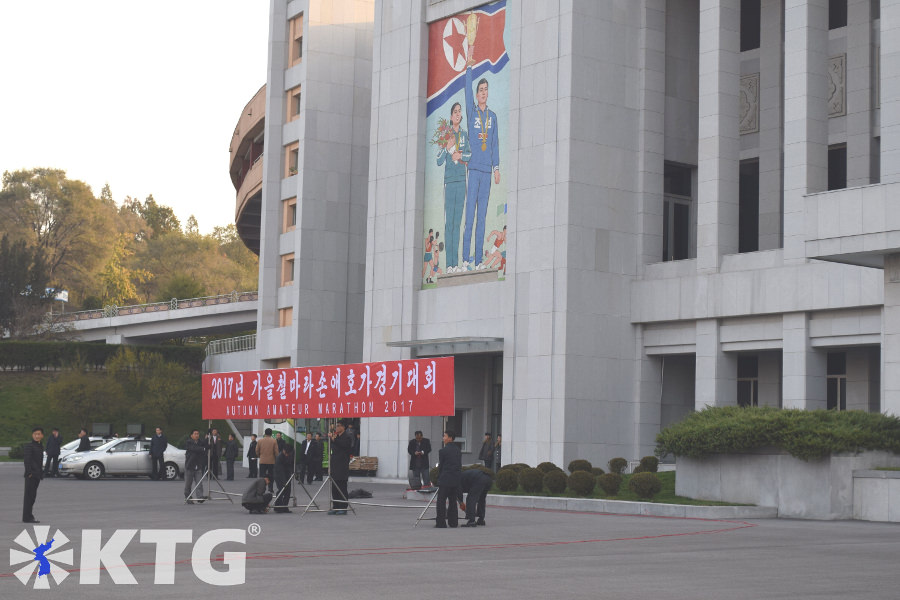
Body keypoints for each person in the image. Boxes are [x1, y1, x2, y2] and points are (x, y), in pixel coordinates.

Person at [462, 59, 500, 270]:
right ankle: (465, 259)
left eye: (486, 89)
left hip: (487, 171)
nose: (483, 93)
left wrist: (496, 168)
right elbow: (467, 91)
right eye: (481, 90)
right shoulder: (471, 112)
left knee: (482, 218)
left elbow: (494, 143)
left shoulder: (492, 117)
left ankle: (477, 261)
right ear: (477, 95)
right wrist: (469, 68)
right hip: (474, 169)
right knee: (470, 216)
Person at [438, 101, 472, 273]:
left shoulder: (464, 135)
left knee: (458, 223)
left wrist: (460, 154)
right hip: (449, 182)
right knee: (449, 224)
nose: (458, 114)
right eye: (455, 112)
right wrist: (447, 148)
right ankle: (448, 265)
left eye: (460, 111)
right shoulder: (446, 135)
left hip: (461, 181)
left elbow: (469, 155)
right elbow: (438, 160)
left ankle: (455, 264)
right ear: (451, 116)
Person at [435, 430, 462, 528]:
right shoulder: (458, 450)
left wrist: (438, 478)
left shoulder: (443, 451)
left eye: (445, 436)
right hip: (455, 479)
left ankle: (441, 522)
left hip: (445, 479)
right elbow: (459, 465)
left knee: (441, 502)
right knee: (453, 501)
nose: (443, 438)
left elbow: (441, 466)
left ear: (450, 438)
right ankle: (453, 522)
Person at [328, 420, 353, 515]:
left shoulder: (347, 437)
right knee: (334, 488)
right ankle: (336, 507)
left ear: (343, 427)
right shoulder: (336, 437)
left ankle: (343, 507)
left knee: (342, 487)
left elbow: (344, 445)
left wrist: (334, 440)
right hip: (334, 465)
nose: (337, 428)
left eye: (338, 426)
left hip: (342, 466)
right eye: (336, 426)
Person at [23, 427, 44, 523]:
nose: (37, 436)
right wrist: (29, 473)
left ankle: (28, 516)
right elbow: (27, 461)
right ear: (32, 435)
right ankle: (27, 517)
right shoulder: (29, 446)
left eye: (39, 434)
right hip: (31, 475)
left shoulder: (40, 446)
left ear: (42, 436)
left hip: (37, 475)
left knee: (32, 497)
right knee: (29, 497)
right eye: (35, 434)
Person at [183, 429, 209, 503]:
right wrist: (204, 448)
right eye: (195, 434)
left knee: (199, 483)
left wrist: (208, 436)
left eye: (198, 433)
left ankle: (200, 497)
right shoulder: (189, 442)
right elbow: (194, 448)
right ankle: (188, 497)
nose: (197, 435)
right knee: (188, 484)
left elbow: (205, 443)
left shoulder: (200, 442)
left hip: (198, 466)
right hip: (190, 466)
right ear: (191, 435)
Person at [273, 445, 294, 513]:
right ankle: (278, 506)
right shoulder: (279, 457)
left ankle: (285, 506)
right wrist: (284, 481)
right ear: (284, 450)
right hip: (279, 475)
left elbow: (292, 464)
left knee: (288, 491)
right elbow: (280, 471)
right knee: (281, 489)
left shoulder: (290, 454)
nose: (287, 455)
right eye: (286, 453)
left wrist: (294, 472)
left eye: (288, 453)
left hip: (287, 475)